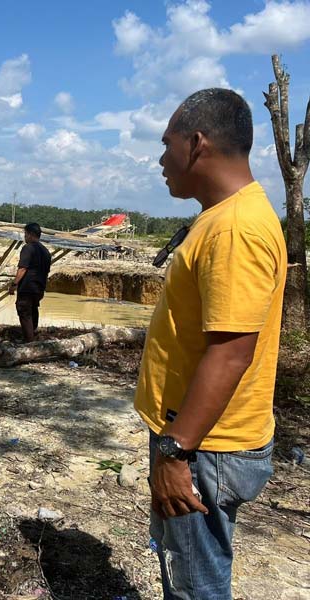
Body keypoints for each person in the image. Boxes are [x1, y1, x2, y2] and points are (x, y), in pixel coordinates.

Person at [136, 88, 287, 599]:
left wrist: (176, 453)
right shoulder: (223, 217)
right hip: (197, 439)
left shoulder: (235, 229)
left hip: (205, 447)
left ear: (196, 143)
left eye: (166, 144)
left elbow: (231, 351)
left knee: (196, 588)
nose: (160, 160)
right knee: (185, 575)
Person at [8, 223, 51, 342]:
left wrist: (14, 284)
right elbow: (46, 271)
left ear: (31, 234)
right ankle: (33, 334)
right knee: (33, 310)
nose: (24, 236)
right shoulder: (45, 251)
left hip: (27, 286)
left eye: (25, 234)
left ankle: (29, 342)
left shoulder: (28, 248)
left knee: (24, 311)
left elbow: (22, 268)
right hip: (39, 287)